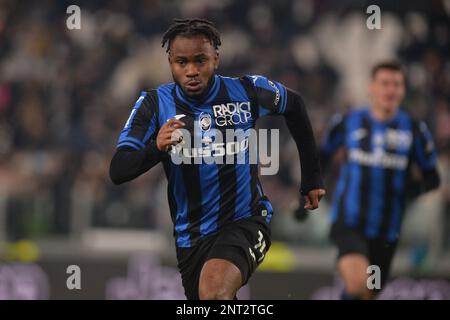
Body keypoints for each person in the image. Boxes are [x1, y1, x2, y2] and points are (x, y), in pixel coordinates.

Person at [110, 18, 325, 300]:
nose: (192, 71)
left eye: (200, 61)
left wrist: (311, 177)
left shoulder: (247, 91)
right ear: (170, 62)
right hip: (191, 238)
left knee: (213, 293)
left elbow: (294, 104)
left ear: (216, 59)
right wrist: (156, 148)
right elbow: (118, 170)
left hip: (246, 220)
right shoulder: (153, 104)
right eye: (182, 62)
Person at [297, 61, 440, 299]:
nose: (390, 90)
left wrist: (407, 190)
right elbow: (319, 158)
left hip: (387, 231)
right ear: (371, 88)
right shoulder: (348, 122)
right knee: (356, 284)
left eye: (397, 84)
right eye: (385, 83)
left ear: (403, 90)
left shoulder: (414, 130)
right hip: (349, 222)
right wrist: (308, 193)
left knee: (366, 294)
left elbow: (432, 178)